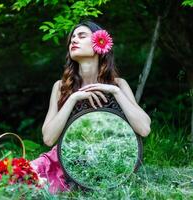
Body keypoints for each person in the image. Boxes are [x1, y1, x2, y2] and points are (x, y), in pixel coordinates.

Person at [30, 20, 151, 194]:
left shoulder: (118, 85)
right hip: (62, 163)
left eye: (81, 36)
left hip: (107, 162)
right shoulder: (60, 87)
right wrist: (72, 99)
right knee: (15, 178)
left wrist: (115, 92)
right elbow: (48, 139)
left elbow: (144, 128)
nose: (73, 40)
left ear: (99, 43)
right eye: (72, 37)